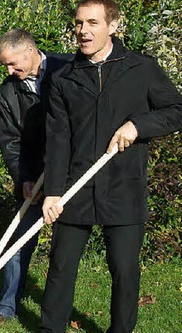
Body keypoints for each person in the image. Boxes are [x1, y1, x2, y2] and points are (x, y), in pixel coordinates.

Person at [40, 1, 182, 332]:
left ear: (113, 25)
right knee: (61, 267)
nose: (83, 31)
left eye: (92, 22)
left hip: (123, 186)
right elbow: (59, 139)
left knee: (124, 270)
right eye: (78, 23)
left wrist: (138, 125)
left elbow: (177, 109)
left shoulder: (141, 68)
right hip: (77, 187)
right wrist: (53, 193)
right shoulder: (64, 78)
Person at [0, 29, 71, 330]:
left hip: (71, 176)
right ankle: (6, 305)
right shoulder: (9, 91)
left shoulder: (68, 68)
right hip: (33, 178)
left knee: (66, 248)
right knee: (17, 244)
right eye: (5, 66)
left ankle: (56, 311)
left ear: (30, 50)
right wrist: (23, 177)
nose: (9, 72)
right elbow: (10, 140)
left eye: (12, 64)